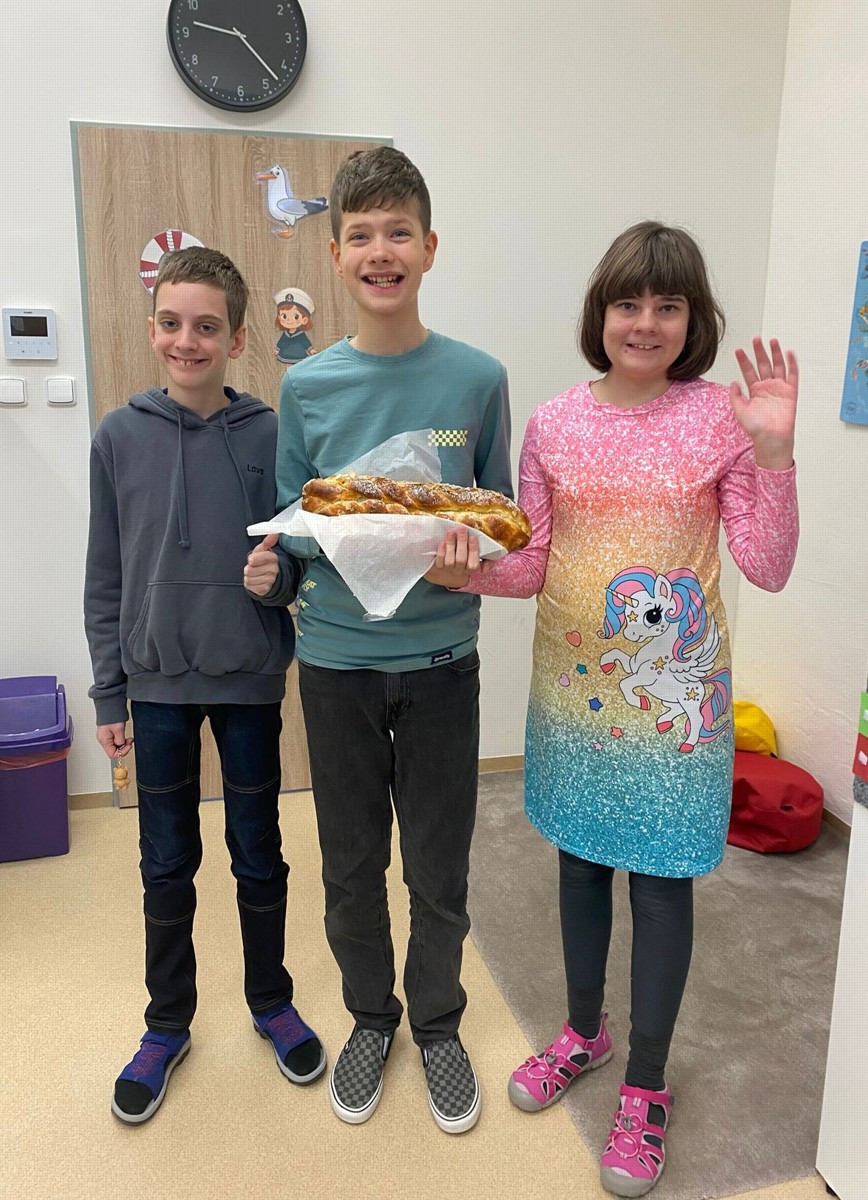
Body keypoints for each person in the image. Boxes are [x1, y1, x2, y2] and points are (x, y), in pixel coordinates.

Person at [433, 221, 799, 1194]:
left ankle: (646, 1085)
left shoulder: (722, 418)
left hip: (673, 712)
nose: (645, 322)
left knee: (663, 883)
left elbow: (766, 566)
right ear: (600, 314)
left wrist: (773, 455)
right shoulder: (554, 422)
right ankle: (584, 1033)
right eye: (627, 303)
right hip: (576, 698)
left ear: (693, 318)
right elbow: (531, 565)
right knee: (580, 865)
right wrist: (460, 572)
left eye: (667, 305)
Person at [275, 146, 514, 1133]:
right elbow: (291, 523)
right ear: (336, 255)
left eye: (399, 232)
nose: (382, 251)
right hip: (334, 666)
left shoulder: (477, 378)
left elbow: (501, 521)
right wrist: (303, 550)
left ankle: (439, 1025)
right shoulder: (307, 388)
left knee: (439, 867)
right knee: (348, 869)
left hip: (442, 668)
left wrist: (474, 558)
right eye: (361, 235)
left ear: (430, 246)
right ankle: (371, 1020)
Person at [84, 246, 325, 1125]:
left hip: (248, 678)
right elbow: (105, 573)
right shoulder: (117, 437)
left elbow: (298, 558)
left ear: (238, 338)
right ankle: (166, 1024)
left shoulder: (269, 434)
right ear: (153, 329)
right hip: (154, 686)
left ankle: (271, 1001)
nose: (188, 341)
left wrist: (281, 582)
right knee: (164, 861)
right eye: (173, 324)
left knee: (258, 850)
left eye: (208, 326)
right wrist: (108, 693)